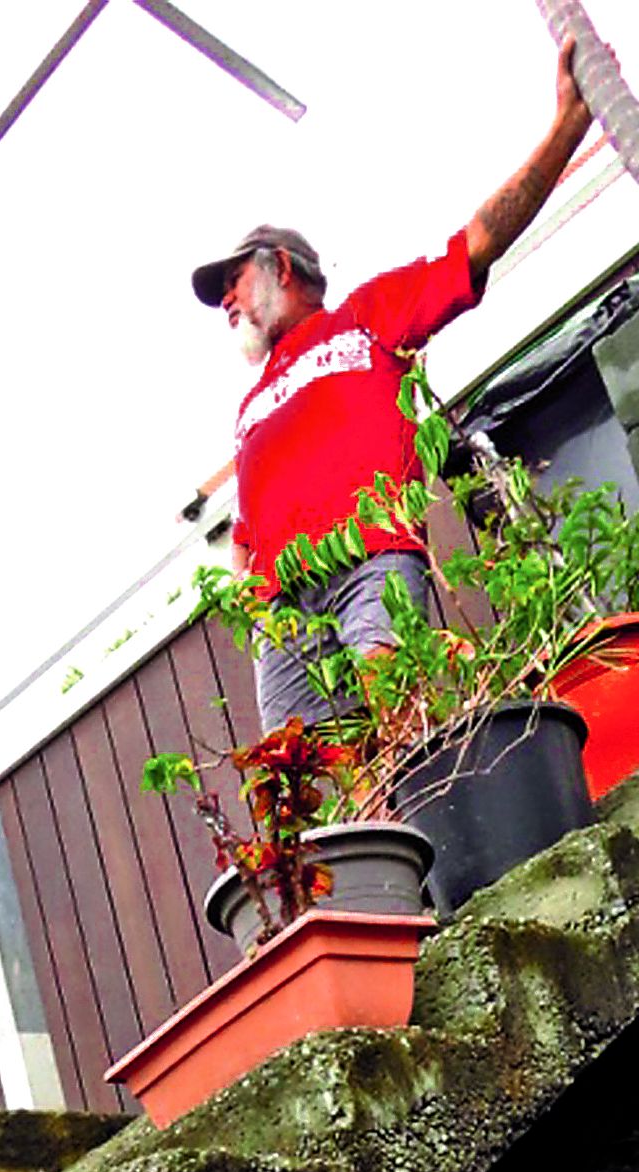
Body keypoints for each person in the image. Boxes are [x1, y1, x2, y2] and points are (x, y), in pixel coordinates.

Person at [192, 39, 593, 731]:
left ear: (279, 267)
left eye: (230, 282)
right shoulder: (249, 406)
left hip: (370, 563)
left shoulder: (365, 320)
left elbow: (477, 241)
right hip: (285, 614)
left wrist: (563, 129)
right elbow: (246, 530)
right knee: (295, 774)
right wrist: (253, 602)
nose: (224, 301)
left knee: (399, 717)